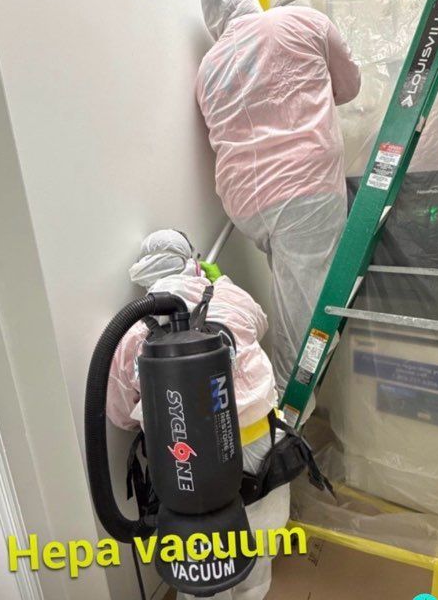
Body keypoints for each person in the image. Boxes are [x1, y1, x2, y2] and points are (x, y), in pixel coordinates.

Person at [197, 0, 360, 397]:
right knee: (306, 313)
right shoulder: (303, 22)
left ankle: (284, 399)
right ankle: (288, 414)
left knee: (292, 293)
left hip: (244, 202)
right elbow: (349, 86)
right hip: (302, 189)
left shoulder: (207, 66)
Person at [107, 229, 290, 600]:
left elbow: (120, 415)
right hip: (260, 441)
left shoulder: (132, 334)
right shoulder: (227, 296)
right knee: (258, 545)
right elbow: (259, 323)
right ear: (192, 261)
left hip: (186, 464)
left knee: (203, 568)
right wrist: (221, 282)